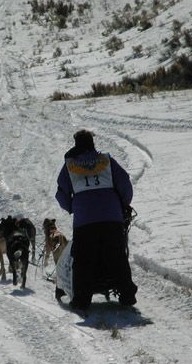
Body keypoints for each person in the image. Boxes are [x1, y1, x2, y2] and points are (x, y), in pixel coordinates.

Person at [55, 129, 137, 311]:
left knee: (84, 260)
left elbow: (61, 194)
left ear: (76, 143)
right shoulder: (106, 160)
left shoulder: (69, 165)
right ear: (92, 143)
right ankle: (127, 295)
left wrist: (72, 207)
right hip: (112, 217)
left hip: (84, 220)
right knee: (117, 257)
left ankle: (82, 300)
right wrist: (123, 204)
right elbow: (124, 183)